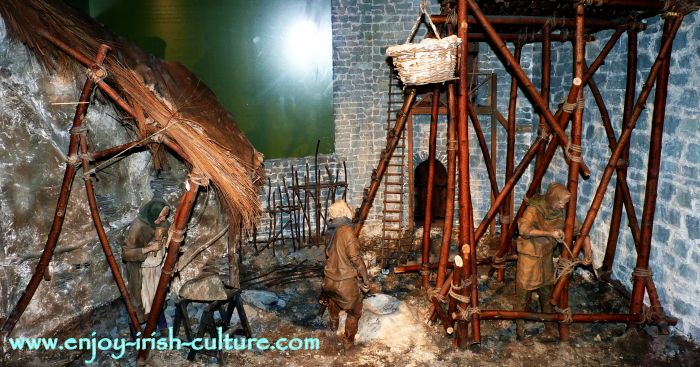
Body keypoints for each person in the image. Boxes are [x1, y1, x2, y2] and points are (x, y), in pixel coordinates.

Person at [514, 182, 592, 343]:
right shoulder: (534, 210)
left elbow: (583, 232)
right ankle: (520, 331)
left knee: (547, 291)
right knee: (523, 294)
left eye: (564, 203)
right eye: (560, 202)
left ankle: (548, 323)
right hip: (529, 257)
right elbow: (524, 230)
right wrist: (549, 232)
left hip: (546, 257)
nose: (562, 206)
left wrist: (588, 254)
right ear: (551, 198)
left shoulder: (561, 214)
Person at [321, 201, 370, 350]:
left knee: (334, 299)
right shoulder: (346, 231)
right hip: (344, 283)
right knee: (355, 312)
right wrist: (366, 279)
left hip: (329, 280)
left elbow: (331, 255)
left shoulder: (330, 231)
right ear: (344, 212)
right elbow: (355, 259)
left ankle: (333, 326)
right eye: (348, 208)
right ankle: (348, 342)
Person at [121, 198, 171, 337]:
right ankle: (136, 334)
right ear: (153, 213)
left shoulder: (164, 223)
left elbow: (169, 235)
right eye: (161, 215)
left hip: (156, 267)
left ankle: (162, 325)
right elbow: (126, 254)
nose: (163, 219)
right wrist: (148, 249)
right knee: (139, 303)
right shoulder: (138, 227)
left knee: (158, 296)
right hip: (141, 271)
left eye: (165, 215)